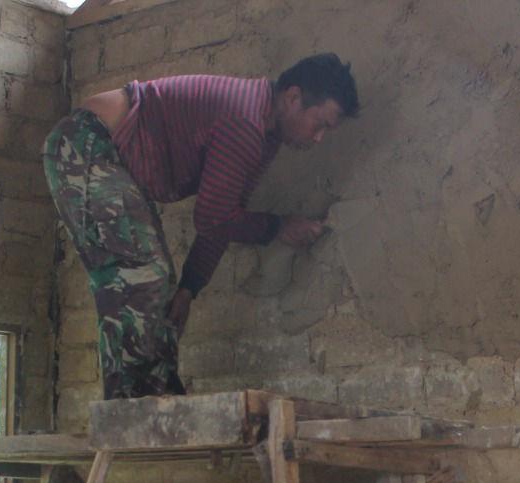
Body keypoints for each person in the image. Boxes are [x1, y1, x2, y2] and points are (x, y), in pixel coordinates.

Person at [42, 54, 359, 400]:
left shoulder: (264, 138)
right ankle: (135, 406)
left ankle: (155, 398)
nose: (319, 138)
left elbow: (224, 218)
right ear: (294, 97)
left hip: (110, 156)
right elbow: (213, 217)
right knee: (141, 276)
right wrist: (276, 227)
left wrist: (188, 289)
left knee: (160, 285)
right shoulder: (245, 121)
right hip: (87, 141)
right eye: (320, 124)